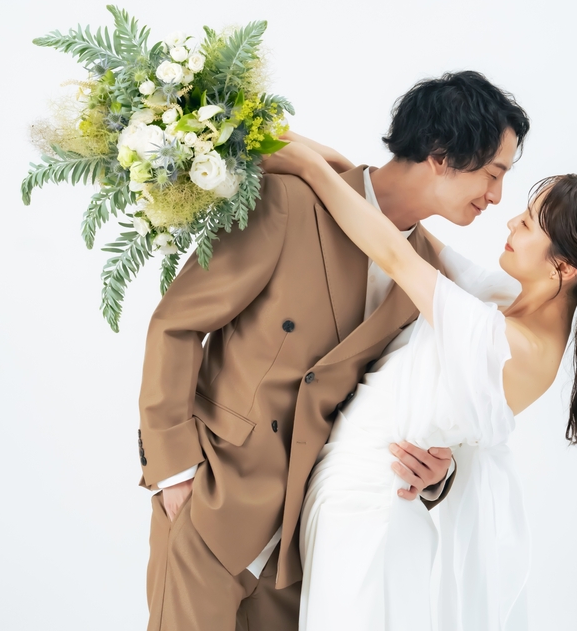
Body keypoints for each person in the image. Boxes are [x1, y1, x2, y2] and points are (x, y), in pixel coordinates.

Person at [137, 71, 530, 631]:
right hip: (215, 499)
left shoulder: (427, 275)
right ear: (442, 155)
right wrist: (173, 471)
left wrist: (435, 471)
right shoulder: (287, 202)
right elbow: (176, 324)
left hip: (308, 541)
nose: (496, 196)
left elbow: (404, 394)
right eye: (493, 173)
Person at [261, 140, 577, 630]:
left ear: (564, 268)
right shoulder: (505, 302)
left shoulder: (512, 345)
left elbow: (394, 253)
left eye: (527, 224)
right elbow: (414, 237)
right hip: (350, 501)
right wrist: (307, 148)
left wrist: (308, 169)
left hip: (372, 514)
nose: (509, 222)